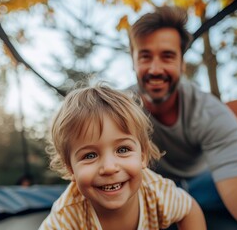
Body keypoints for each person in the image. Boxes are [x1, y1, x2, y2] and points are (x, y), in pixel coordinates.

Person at [128, 5, 237, 230]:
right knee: (62, 198)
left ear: (182, 64)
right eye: (145, 56)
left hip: (207, 188)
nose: (156, 69)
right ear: (133, 62)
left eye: (167, 56)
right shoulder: (117, 111)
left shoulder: (210, 113)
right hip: (144, 198)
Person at [38, 83, 206, 230]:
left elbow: (189, 210)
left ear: (142, 156)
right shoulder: (67, 216)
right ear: (70, 168)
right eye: (90, 155)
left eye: (123, 150)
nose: (109, 167)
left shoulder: (155, 192)